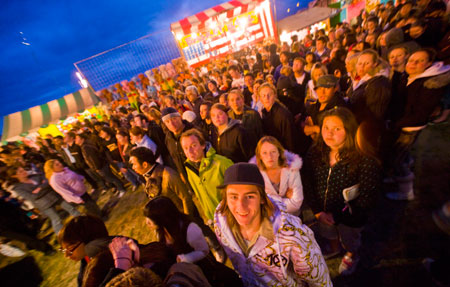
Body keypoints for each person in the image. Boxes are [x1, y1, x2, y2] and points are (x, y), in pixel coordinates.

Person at [214, 163, 331, 286]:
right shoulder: (222, 225)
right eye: (233, 197)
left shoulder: (293, 234)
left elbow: (319, 279)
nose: (241, 206)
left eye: (249, 196)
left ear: (262, 198)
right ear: (225, 198)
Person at [302, 107, 381, 275]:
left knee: (350, 239)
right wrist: (317, 211)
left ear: (349, 130)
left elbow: (366, 198)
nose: (329, 134)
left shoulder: (363, 159)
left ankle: (351, 254)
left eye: (337, 129)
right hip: (322, 213)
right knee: (328, 232)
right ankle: (334, 247)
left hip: (350, 219)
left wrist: (338, 216)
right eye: (325, 128)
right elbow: (308, 183)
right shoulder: (315, 153)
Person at [144, 196, 242, 287]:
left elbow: (204, 251)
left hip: (204, 272)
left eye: (150, 219)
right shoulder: (161, 231)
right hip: (186, 274)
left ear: (163, 218)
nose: (147, 222)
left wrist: (186, 258)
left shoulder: (190, 228)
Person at [180, 128, 233, 224]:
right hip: (215, 219)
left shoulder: (221, 163)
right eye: (186, 148)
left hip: (231, 215)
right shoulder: (189, 167)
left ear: (203, 145)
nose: (190, 151)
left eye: (193, 145)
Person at [7, 165, 80, 234]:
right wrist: (44, 187)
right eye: (20, 172)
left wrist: (40, 188)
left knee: (71, 209)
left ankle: (83, 222)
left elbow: (48, 181)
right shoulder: (18, 188)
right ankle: (62, 236)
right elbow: (32, 197)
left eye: (23, 170)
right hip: (43, 204)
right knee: (56, 219)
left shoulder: (35, 176)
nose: (24, 172)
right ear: (15, 176)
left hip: (53, 196)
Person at [129, 147, 195, 217]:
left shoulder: (169, 175)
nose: (133, 167)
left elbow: (186, 198)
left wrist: (186, 220)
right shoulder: (147, 175)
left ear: (145, 164)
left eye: (134, 164)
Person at [252, 136, 304, 216]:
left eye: (273, 151)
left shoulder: (292, 169)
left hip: (292, 218)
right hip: (268, 220)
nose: (269, 157)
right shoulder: (255, 174)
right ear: (260, 156)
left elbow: (296, 203)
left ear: (279, 153)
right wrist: (285, 199)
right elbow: (256, 204)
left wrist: (268, 200)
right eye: (265, 153)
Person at [58, 215, 111, 287]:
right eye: (63, 249)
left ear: (90, 241)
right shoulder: (86, 259)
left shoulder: (109, 264)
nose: (66, 255)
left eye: (70, 248)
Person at [75, 133, 127, 197]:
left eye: (77, 138)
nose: (76, 140)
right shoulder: (84, 146)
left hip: (101, 166)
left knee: (111, 178)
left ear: (82, 139)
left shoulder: (86, 147)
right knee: (110, 178)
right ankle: (119, 188)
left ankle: (122, 189)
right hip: (100, 165)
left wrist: (97, 168)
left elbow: (93, 158)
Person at [259, 83, 302, 155]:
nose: (267, 98)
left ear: (275, 96)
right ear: (260, 99)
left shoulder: (283, 115)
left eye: (270, 94)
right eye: (263, 95)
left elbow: (290, 142)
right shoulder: (265, 112)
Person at [304, 75, 347, 140]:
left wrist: (314, 129)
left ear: (335, 89)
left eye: (327, 88)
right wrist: (316, 129)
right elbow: (301, 124)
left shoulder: (339, 107)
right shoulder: (315, 105)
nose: (322, 92)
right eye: (319, 88)